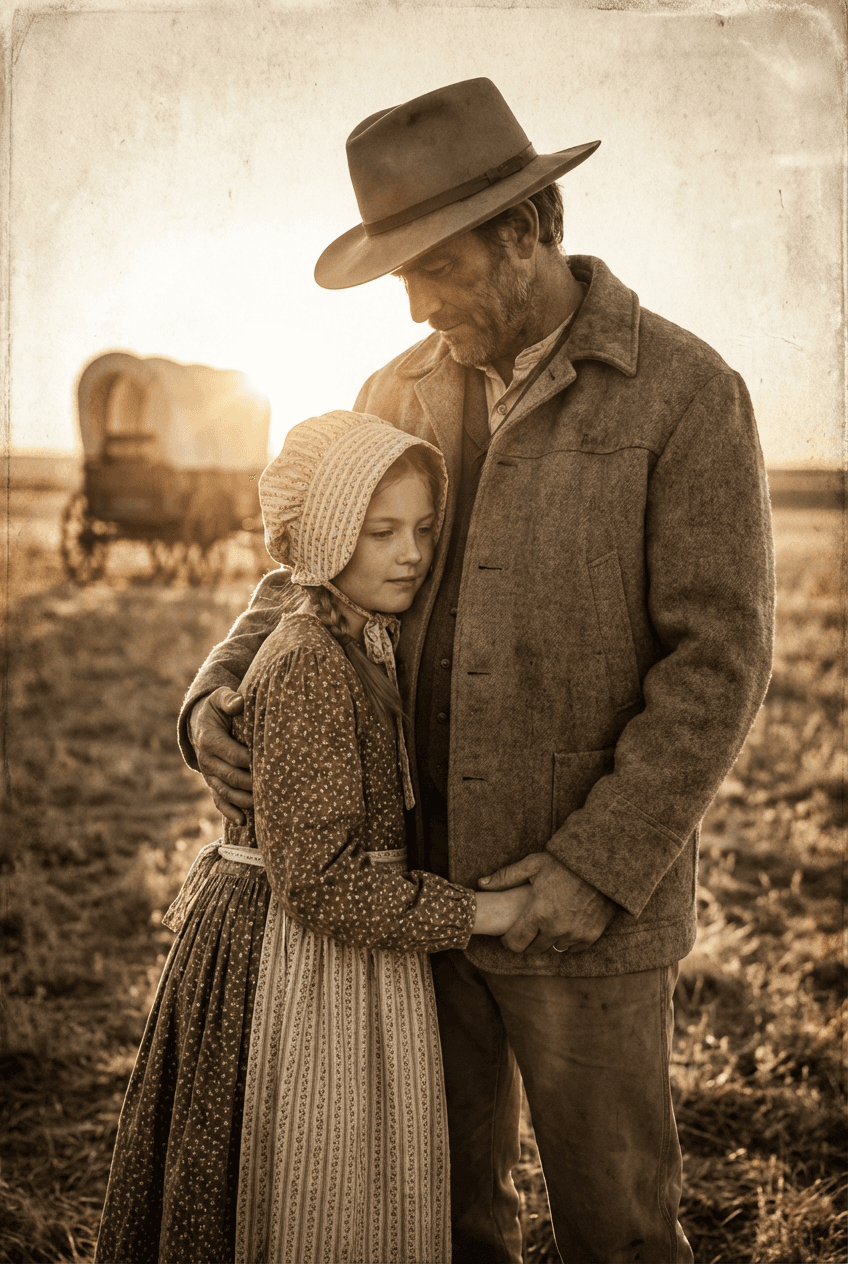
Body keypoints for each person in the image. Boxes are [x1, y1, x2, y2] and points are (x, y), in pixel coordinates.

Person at [181, 80, 775, 1263]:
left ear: (528, 229)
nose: (412, 299)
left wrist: (591, 869)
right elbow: (310, 561)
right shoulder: (393, 390)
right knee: (439, 1222)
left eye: (435, 264)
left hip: (586, 921)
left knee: (617, 1228)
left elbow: (716, 663)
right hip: (407, 893)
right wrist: (216, 682)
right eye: (398, 273)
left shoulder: (685, 393)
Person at [95, 410, 532, 1264]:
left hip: (350, 955)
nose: (411, 553)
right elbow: (321, 887)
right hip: (299, 966)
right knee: (299, 1184)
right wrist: (481, 913)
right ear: (328, 535)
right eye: (381, 533)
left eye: (423, 530)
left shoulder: (362, 637)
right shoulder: (307, 664)